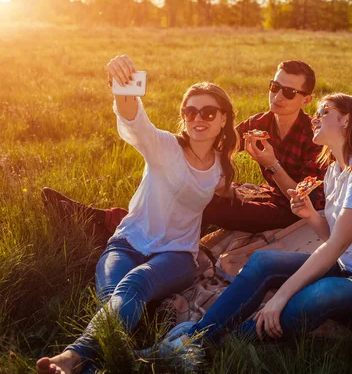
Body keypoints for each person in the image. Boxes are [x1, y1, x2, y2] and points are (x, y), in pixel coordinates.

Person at [148, 93, 352, 367]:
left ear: (346, 120)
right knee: (263, 261)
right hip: (348, 265)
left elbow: (334, 246)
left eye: (323, 111)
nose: (314, 118)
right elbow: (332, 237)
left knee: (317, 295)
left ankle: (202, 347)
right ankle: (197, 339)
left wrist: (280, 297)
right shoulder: (336, 170)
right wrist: (311, 214)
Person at [36, 55, 239, 374]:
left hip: (176, 256)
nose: (198, 118)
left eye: (208, 112)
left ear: (224, 119)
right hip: (127, 244)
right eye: (190, 111)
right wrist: (121, 85)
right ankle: (99, 366)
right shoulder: (165, 148)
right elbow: (135, 121)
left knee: (134, 285)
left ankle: (72, 356)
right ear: (183, 116)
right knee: (115, 302)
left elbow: (231, 203)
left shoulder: (222, 170)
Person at [41, 60, 325, 240]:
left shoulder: (316, 135)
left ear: (306, 99)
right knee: (186, 184)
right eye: (275, 86)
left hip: (292, 209)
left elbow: (308, 202)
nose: (277, 96)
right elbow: (216, 144)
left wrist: (272, 165)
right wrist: (173, 156)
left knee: (205, 203)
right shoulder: (259, 123)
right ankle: (112, 220)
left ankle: (104, 221)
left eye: (289, 92)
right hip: (265, 194)